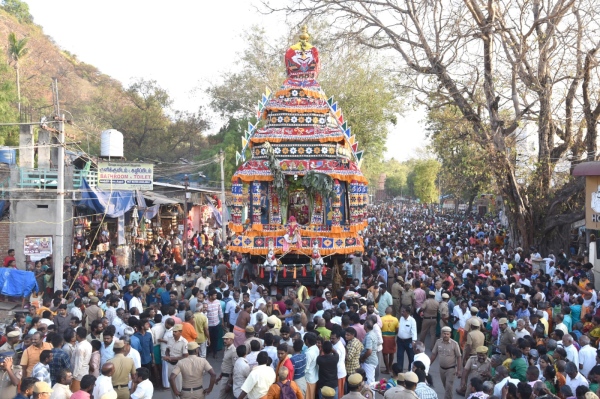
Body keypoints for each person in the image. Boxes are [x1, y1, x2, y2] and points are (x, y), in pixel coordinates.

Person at [430, 326, 462, 399]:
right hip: (441, 369)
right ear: (442, 334)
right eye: (444, 334)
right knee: (446, 387)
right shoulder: (438, 342)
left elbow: (459, 357)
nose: (446, 335)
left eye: (447, 334)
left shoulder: (454, 344)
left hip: (451, 369)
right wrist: (428, 364)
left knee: (448, 387)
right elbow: (434, 354)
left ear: (450, 335)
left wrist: (459, 370)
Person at [164, 323, 188, 397]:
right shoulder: (170, 339)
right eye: (173, 331)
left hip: (179, 366)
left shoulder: (184, 342)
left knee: (178, 387)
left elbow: (185, 356)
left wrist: (171, 358)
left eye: (175, 332)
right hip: (170, 364)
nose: (174, 333)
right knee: (172, 384)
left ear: (180, 332)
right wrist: (167, 355)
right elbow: (167, 349)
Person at [72, 327, 92, 392]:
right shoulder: (88, 344)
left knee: (76, 393)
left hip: (78, 375)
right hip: (85, 372)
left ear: (77, 336)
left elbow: (78, 364)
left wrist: (74, 376)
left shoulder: (80, 347)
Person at [217, 332, 237, 399]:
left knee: (221, 396)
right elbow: (225, 364)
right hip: (224, 375)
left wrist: (229, 383)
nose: (224, 341)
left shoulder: (233, 351)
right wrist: (220, 376)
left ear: (231, 340)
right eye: (224, 339)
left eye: (226, 339)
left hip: (228, 378)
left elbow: (234, 368)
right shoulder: (226, 349)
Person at [397, 306, 417, 372]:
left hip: (408, 341)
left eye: (403, 311)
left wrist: (414, 341)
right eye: (402, 311)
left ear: (408, 312)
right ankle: (399, 373)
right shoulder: (401, 318)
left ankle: (410, 372)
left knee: (411, 357)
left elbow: (414, 331)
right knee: (399, 356)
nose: (402, 313)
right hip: (400, 341)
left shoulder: (412, 320)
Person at [381, 306, 399, 375]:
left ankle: (387, 369)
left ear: (385, 312)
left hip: (384, 337)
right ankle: (390, 367)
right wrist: (394, 333)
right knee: (392, 352)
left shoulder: (381, 318)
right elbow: (397, 329)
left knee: (385, 353)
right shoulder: (395, 319)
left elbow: (379, 328)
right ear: (391, 312)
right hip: (392, 337)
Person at [360, 320, 378, 385]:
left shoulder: (369, 336)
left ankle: (371, 395)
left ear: (366, 326)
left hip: (369, 361)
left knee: (369, 382)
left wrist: (362, 358)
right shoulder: (372, 334)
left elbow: (369, 351)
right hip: (371, 360)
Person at [305, 332, 320, 399]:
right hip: (314, 376)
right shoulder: (316, 348)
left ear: (307, 341)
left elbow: (306, 368)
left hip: (309, 378)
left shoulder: (308, 353)